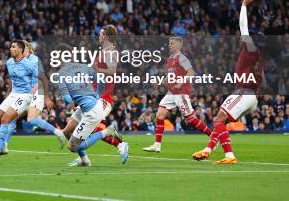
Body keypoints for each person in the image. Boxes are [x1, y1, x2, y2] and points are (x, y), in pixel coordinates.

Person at [193, 0, 264, 164]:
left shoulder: (250, 49)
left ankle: (229, 155)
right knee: (221, 121)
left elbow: (243, 27)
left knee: (218, 119)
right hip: (251, 96)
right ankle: (208, 149)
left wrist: (243, 6)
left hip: (244, 93)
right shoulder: (257, 56)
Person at [63, 25, 129, 166]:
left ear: (106, 36)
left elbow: (112, 71)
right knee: (67, 131)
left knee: (91, 130)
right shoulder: (101, 53)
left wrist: (95, 69)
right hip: (91, 97)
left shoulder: (111, 52)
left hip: (103, 99)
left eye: (100, 34)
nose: (98, 36)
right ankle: (84, 160)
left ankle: (113, 136)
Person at [142, 36, 212, 153]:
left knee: (190, 120)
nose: (169, 45)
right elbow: (172, 73)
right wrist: (166, 79)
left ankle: (213, 136)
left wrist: (181, 82)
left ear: (179, 45)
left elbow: (191, 72)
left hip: (181, 93)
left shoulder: (182, 58)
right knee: (159, 115)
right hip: (172, 92)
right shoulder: (170, 59)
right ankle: (157, 144)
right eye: (169, 43)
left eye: (172, 43)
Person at [56, 56, 124, 167]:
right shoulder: (83, 68)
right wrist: (96, 95)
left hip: (91, 111)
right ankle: (84, 160)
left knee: (72, 146)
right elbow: (101, 81)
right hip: (87, 107)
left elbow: (67, 98)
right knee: (66, 132)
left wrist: (74, 99)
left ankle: (106, 132)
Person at [0, 41, 38, 158]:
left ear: (20, 50)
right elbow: (12, 80)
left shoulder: (29, 64)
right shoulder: (9, 63)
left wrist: (33, 94)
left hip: (25, 95)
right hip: (13, 95)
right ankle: (3, 146)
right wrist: (8, 95)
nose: (10, 49)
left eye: (13, 47)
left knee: (5, 118)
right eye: (10, 47)